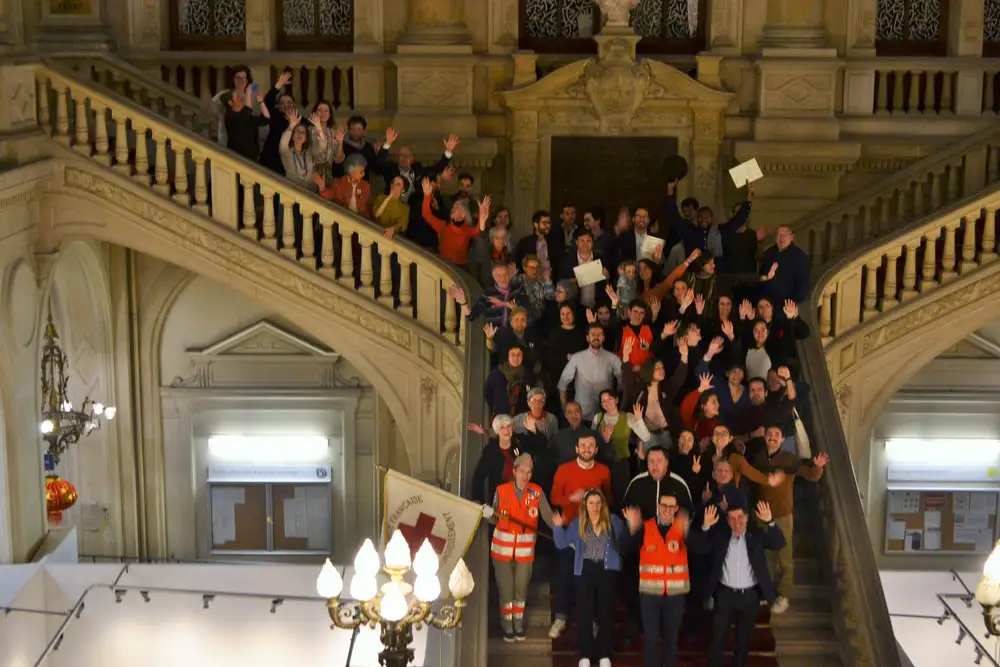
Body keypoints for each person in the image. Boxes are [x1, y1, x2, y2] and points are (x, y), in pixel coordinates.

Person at [688, 501, 786, 667]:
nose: (737, 522)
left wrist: (770, 521)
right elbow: (697, 547)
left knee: (743, 641)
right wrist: (705, 527)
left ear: (747, 518)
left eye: (740, 517)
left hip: (749, 597)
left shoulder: (757, 536)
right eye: (732, 518)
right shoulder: (720, 537)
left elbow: (779, 542)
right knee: (718, 638)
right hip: (725, 596)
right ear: (727, 521)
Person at [552, 489, 629, 667]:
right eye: (591, 503)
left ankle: (604, 655)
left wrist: (631, 525)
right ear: (585, 505)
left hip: (606, 570)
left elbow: (625, 542)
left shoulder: (614, 522)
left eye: (598, 503)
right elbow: (561, 543)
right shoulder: (577, 524)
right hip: (585, 570)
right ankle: (585, 655)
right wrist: (557, 527)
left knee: (605, 614)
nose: (595, 507)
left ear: (603, 505)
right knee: (585, 616)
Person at [489, 454, 555, 642]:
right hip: (502, 551)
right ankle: (506, 625)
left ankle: (518, 623)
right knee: (506, 589)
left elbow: (549, 518)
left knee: (520, 589)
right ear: (514, 471)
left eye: (529, 472)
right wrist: (488, 514)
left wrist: (564, 530)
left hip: (525, 552)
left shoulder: (537, 492)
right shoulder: (501, 491)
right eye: (522, 471)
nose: (525, 476)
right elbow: (494, 518)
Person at [623, 492, 690, 667]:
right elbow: (625, 548)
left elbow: (702, 547)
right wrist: (632, 528)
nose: (667, 510)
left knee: (671, 641)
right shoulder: (645, 527)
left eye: (671, 506)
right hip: (649, 595)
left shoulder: (682, 527)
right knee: (651, 640)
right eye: (664, 505)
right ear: (658, 506)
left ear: (676, 509)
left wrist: (697, 529)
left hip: (675, 596)